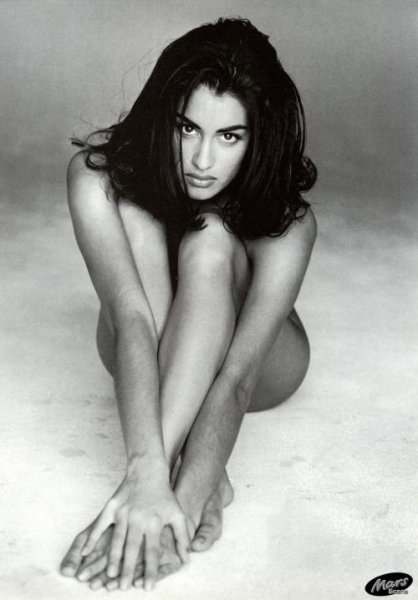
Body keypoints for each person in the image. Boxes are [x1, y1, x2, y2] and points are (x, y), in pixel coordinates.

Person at [60, 17, 317, 592]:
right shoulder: (95, 178)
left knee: (212, 237)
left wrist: (177, 497)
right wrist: (149, 474)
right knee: (135, 212)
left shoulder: (291, 222)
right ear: (164, 118)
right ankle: (164, 465)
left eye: (230, 137)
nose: (202, 159)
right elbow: (130, 320)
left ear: (258, 138)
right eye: (187, 128)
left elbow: (238, 378)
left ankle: (166, 472)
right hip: (144, 342)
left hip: (259, 367)